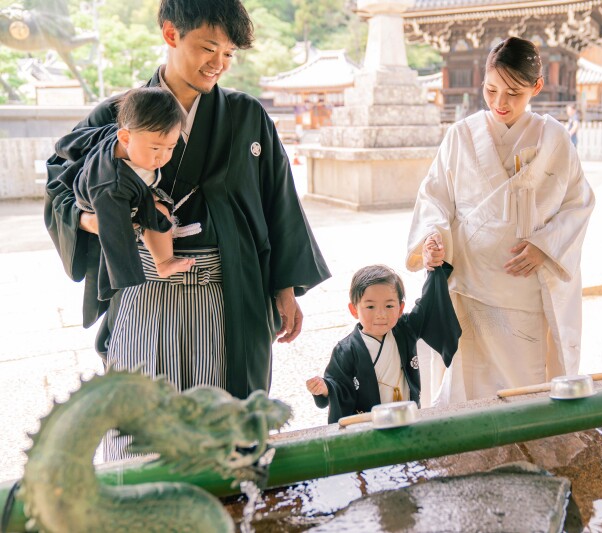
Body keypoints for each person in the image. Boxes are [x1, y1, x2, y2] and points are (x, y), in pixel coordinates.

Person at [44, 0, 330, 403]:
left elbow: (278, 201)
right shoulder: (118, 113)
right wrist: (93, 222)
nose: (219, 63)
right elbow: (59, 182)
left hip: (227, 287)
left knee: (225, 419)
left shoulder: (247, 115)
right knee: (141, 419)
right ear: (171, 34)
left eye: (228, 53)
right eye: (208, 48)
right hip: (143, 287)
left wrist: (284, 287)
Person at [406, 37, 595, 405]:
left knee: (525, 390)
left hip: (523, 290)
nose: (500, 103)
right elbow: (435, 197)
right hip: (471, 287)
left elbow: (579, 203)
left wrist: (545, 246)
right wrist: (432, 238)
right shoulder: (460, 136)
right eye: (491, 90)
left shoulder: (554, 138)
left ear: (536, 88)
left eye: (514, 93)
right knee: (467, 388)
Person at [56, 87, 196, 297]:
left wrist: (63, 146)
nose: (163, 157)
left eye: (170, 148)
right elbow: (115, 234)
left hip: (122, 184)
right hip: (100, 201)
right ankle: (164, 262)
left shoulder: (124, 134)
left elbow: (81, 140)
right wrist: (118, 279)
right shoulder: (111, 186)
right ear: (125, 138)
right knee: (159, 213)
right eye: (156, 148)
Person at [306, 242, 461, 423]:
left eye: (389, 306)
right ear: (354, 309)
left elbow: (428, 305)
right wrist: (325, 388)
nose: (381, 314)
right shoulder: (346, 349)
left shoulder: (405, 329)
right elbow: (338, 384)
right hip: (368, 422)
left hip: (407, 414)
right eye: (370, 306)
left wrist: (434, 270)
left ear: (401, 307)